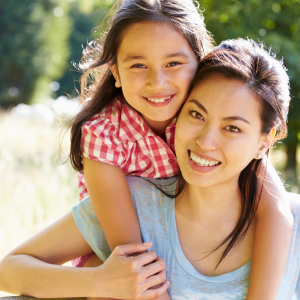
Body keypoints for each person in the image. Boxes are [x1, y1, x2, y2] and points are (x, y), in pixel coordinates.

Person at [0, 38, 297, 300]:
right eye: (196, 114)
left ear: (264, 141)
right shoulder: (133, 204)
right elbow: (9, 271)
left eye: (232, 128)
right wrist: (100, 282)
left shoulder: (289, 223)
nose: (205, 141)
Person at [68, 0, 293, 298]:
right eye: (138, 65)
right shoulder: (105, 133)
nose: (157, 82)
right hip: (115, 251)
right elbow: (132, 257)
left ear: (200, 63)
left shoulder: (201, 119)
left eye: (173, 63)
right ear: (116, 72)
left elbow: (276, 209)